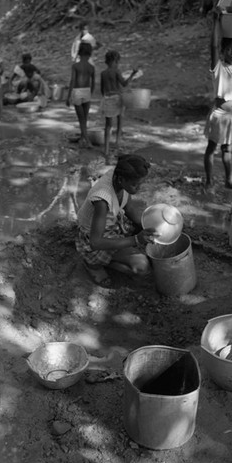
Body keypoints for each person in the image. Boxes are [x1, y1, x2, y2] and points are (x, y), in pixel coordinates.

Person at [76, 154, 160, 286]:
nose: (138, 188)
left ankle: (111, 258)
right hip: (95, 238)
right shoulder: (102, 200)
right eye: (135, 185)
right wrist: (136, 239)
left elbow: (129, 208)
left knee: (143, 236)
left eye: (140, 184)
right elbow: (95, 242)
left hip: (112, 223)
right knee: (142, 267)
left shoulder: (119, 176)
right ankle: (93, 264)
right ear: (121, 180)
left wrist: (145, 226)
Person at [204, 10, 232, 190]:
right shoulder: (219, 68)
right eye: (230, 49)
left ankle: (229, 180)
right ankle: (209, 181)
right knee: (212, 148)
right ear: (223, 52)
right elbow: (213, 47)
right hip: (219, 115)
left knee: (227, 149)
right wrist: (217, 23)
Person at [100, 50, 137, 158]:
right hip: (117, 98)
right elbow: (124, 84)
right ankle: (117, 142)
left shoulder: (103, 73)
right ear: (115, 61)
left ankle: (106, 150)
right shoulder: (116, 71)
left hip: (107, 98)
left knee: (108, 125)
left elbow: (102, 90)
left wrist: (107, 97)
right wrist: (132, 74)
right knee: (120, 119)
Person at [66, 42, 95, 148]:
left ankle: (87, 141)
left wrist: (68, 96)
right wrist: (90, 94)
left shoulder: (75, 66)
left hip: (77, 92)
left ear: (79, 53)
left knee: (81, 118)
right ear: (90, 54)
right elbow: (93, 83)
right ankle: (83, 138)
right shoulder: (91, 67)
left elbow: (72, 80)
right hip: (87, 91)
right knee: (85, 118)